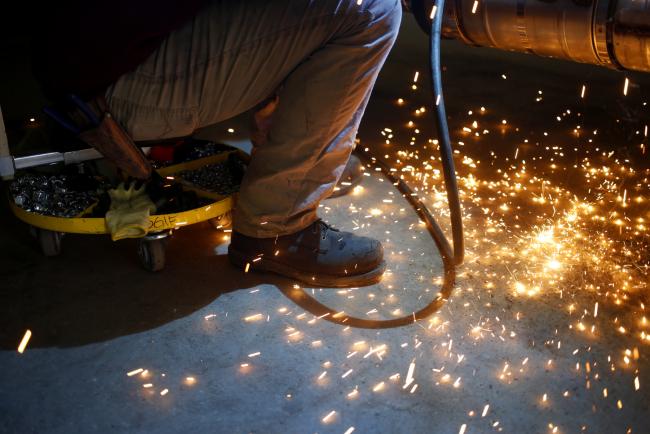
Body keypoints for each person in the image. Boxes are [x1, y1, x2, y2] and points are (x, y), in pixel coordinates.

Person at [33, 0, 402, 287]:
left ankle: (302, 158)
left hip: (83, 56)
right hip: (111, 78)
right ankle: (277, 227)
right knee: (372, 10)